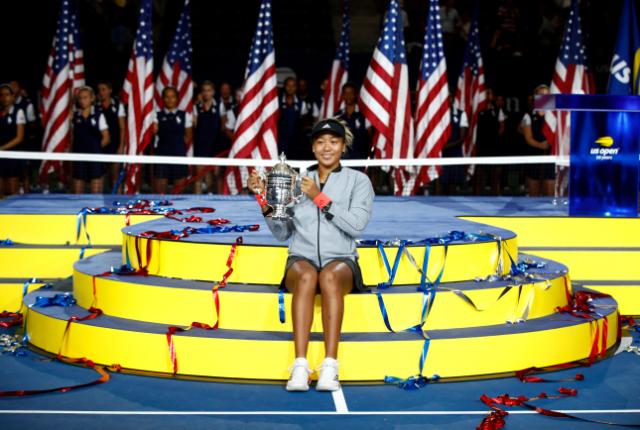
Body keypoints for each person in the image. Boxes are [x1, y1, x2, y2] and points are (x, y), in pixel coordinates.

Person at [248, 118, 374, 392]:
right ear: (313, 148)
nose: (327, 147)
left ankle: (330, 365)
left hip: (342, 261)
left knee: (328, 276)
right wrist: (264, 200)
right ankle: (300, 365)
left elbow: (356, 225)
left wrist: (319, 197)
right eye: (320, 142)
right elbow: (282, 233)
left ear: (343, 146)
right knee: (307, 276)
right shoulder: (296, 180)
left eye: (333, 141)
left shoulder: (359, 182)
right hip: (300, 259)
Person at [152, 86, 192, 194]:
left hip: (179, 155)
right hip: (162, 156)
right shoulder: (156, 115)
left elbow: (188, 137)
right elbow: (152, 133)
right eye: (167, 97)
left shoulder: (185, 115)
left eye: (173, 97)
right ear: (163, 98)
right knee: (160, 194)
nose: (170, 100)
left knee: (178, 194)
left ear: (177, 99)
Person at [71, 86, 110, 194]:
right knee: (77, 193)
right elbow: (72, 138)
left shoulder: (98, 115)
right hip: (78, 158)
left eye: (85, 97)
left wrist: (94, 149)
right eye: (80, 98)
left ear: (92, 98)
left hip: (95, 159)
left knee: (96, 192)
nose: (82, 101)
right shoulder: (74, 116)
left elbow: (106, 138)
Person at [518, 84, 554, 196]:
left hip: (551, 159)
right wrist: (540, 145)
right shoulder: (528, 116)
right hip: (534, 158)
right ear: (536, 97)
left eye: (547, 94)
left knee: (550, 194)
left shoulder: (555, 115)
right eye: (541, 94)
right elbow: (528, 138)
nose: (544, 96)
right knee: (534, 196)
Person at [193, 81, 224, 194]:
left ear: (213, 92)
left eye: (209, 90)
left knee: (215, 176)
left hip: (215, 146)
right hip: (201, 146)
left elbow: (223, 125)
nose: (206, 93)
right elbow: (194, 125)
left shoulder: (220, 105)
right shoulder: (196, 106)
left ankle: (217, 202)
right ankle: (196, 203)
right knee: (199, 177)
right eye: (204, 90)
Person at [95, 80, 126, 191]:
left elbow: (122, 128)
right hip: (100, 146)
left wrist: (121, 146)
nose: (101, 92)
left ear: (110, 90)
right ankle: (100, 203)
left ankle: (117, 202)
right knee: (100, 176)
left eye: (104, 89)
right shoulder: (95, 107)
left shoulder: (118, 106)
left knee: (115, 175)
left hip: (115, 145)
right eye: (99, 90)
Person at [278, 77, 314, 160]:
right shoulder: (277, 102)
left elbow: (305, 122)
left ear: (296, 88)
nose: (290, 88)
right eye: (288, 85)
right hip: (281, 140)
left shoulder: (302, 104)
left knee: (294, 162)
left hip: (296, 141)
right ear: (284, 86)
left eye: (293, 86)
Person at [0, 84, 26, 197]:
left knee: (12, 192)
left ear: (12, 96)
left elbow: (19, 137)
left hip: (12, 156)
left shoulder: (18, 112)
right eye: (1, 95)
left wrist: (2, 149)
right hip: (0, 157)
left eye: (7, 94)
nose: (4, 97)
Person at [335, 82, 371, 160]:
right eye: (346, 93)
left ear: (355, 95)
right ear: (343, 96)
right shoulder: (337, 116)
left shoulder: (364, 115)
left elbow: (370, 136)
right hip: (343, 159)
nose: (348, 96)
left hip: (360, 158)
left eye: (351, 93)